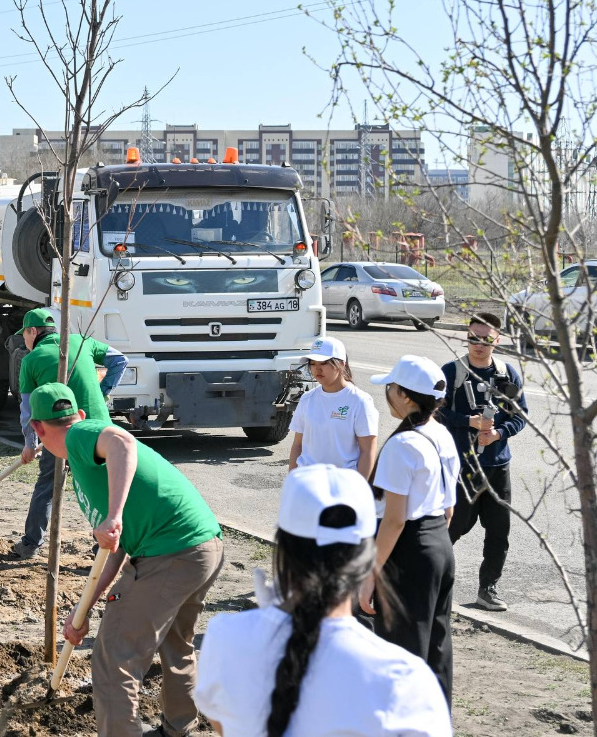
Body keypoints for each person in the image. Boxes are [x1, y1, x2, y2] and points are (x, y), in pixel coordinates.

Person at [194, 465, 452, 737]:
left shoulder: (225, 637)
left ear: (282, 550)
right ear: (367, 560)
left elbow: (223, 723)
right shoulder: (404, 680)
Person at [28, 381, 224, 737]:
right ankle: (178, 729)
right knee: (175, 645)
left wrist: (113, 515)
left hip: (172, 553)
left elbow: (122, 441)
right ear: (80, 412)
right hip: (201, 548)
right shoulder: (86, 453)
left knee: (113, 658)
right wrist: (83, 608)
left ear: (37, 428)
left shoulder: (79, 435)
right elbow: (116, 546)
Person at [364, 355, 460, 701]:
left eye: (390, 387)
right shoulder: (441, 433)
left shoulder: (404, 444)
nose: (387, 393)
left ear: (405, 395)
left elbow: (394, 520)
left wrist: (370, 574)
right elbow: (449, 507)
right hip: (438, 545)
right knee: (435, 646)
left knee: (402, 652)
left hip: (408, 550)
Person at [11, 308, 121, 559]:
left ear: (33, 331)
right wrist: (102, 392)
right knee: (100, 487)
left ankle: (30, 544)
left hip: (59, 432)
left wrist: (30, 443)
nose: (25, 342)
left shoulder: (31, 360)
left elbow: (27, 410)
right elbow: (120, 360)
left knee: (47, 485)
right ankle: (105, 549)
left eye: (24, 336)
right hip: (99, 428)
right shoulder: (82, 342)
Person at [437, 311, 526, 612]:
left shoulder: (506, 374)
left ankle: (487, 590)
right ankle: (430, 582)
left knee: (499, 532)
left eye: (486, 340)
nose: (479, 345)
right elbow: (434, 412)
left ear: (496, 340)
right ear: (467, 337)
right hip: (462, 467)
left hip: (498, 467)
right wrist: (468, 422)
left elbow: (519, 414)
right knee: (453, 527)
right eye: (474, 339)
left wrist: (499, 433)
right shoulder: (451, 372)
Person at [287, 335, 377, 478]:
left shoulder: (360, 401)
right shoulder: (307, 399)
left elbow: (368, 451)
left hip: (343, 485)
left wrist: (360, 490)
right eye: (313, 363)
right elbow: (297, 445)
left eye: (323, 363)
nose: (317, 369)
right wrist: (292, 483)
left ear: (341, 364)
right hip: (308, 484)